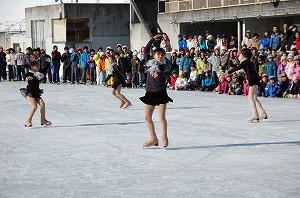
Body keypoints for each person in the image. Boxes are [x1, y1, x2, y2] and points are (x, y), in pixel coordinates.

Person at [139, 35, 173, 149]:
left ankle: (164, 137)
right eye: (158, 54)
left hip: (161, 93)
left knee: (161, 117)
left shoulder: (164, 66)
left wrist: (160, 74)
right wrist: (153, 39)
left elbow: (169, 72)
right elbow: (147, 49)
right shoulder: (149, 62)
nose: (160, 56)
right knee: (147, 118)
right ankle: (153, 138)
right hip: (150, 92)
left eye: (162, 55)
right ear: (154, 55)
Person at [228, 48, 267, 122]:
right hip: (255, 79)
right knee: (254, 97)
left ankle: (255, 114)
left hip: (253, 80)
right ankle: (262, 113)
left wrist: (228, 72)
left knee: (250, 97)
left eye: (240, 55)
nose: (238, 56)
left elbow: (237, 67)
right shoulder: (249, 61)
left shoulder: (245, 61)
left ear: (244, 55)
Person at [22, 61, 51, 128]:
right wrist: (27, 76)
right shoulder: (30, 73)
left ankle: (43, 120)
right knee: (34, 106)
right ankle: (28, 121)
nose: (38, 67)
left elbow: (43, 73)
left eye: (38, 65)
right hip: (30, 92)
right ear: (32, 67)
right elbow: (24, 75)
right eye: (36, 66)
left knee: (42, 105)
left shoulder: (38, 74)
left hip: (36, 92)